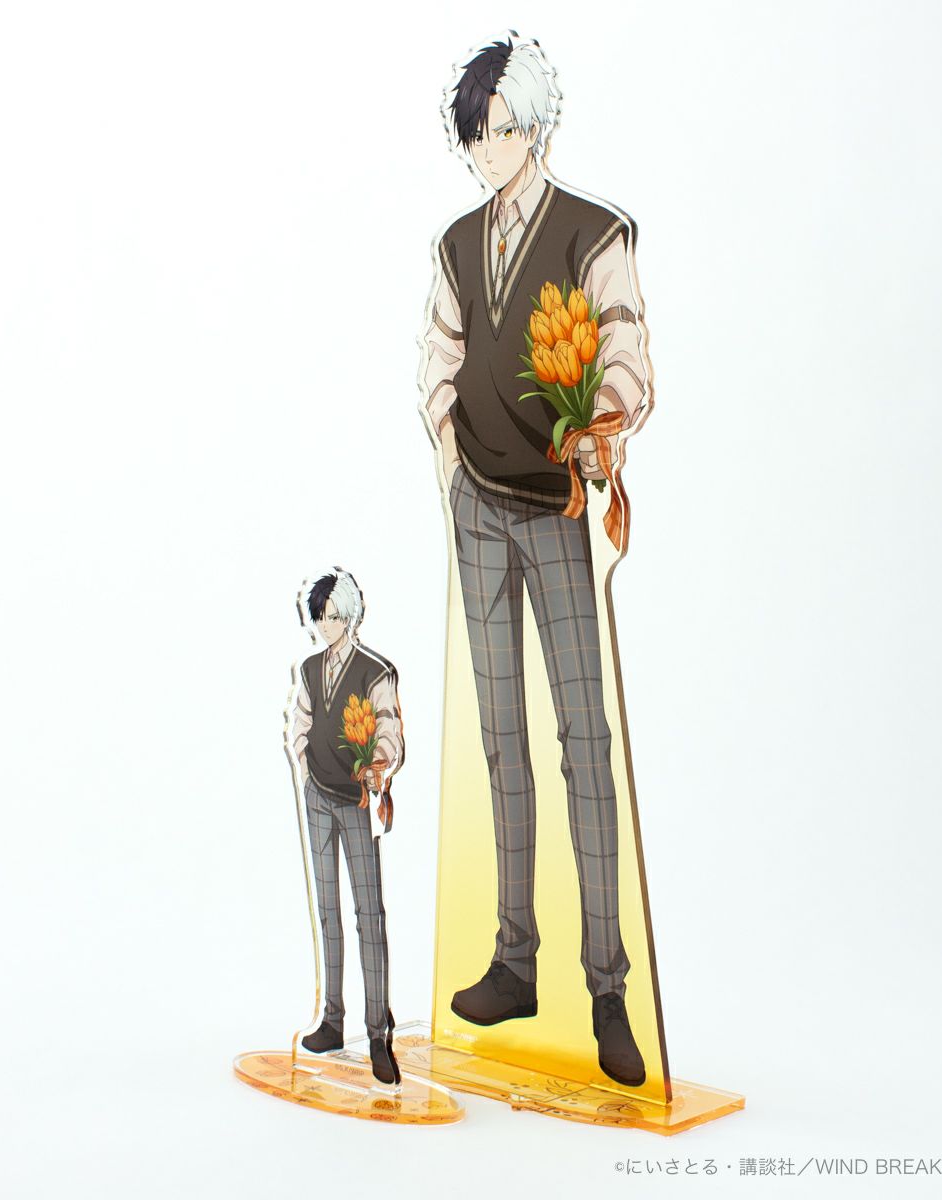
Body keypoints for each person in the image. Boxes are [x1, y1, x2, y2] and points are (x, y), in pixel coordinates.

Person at [421, 36, 651, 1087]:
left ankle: (608, 986)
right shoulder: (456, 242)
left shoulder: (592, 232)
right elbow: (439, 355)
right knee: (499, 733)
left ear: (537, 127)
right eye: (474, 135)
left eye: (502, 130)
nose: (487, 152)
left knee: (583, 738)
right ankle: (516, 960)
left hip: (555, 505)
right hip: (477, 500)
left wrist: (601, 427)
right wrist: (447, 456)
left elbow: (626, 347)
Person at [288, 569, 403, 1085]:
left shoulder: (375, 672)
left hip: (357, 801)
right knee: (328, 909)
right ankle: (332, 1019)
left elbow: (389, 729)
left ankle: (378, 1033)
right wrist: (304, 763)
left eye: (334, 616)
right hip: (317, 795)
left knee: (368, 915)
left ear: (351, 616)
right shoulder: (310, 668)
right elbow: (300, 722)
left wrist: (378, 765)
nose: (326, 626)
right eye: (320, 617)